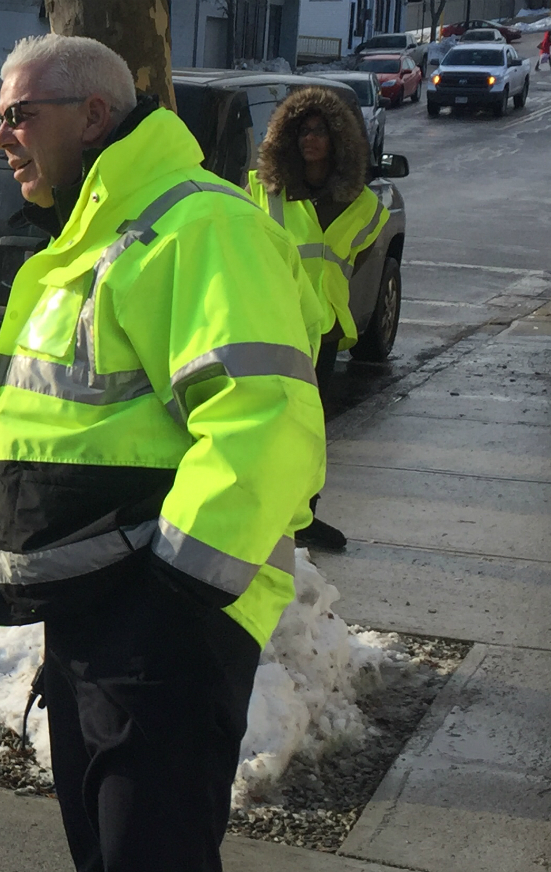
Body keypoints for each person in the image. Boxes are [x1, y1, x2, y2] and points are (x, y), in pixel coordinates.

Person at [0, 34, 325, 872]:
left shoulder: (196, 225)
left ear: (96, 115)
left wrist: (170, 598)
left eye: (20, 113)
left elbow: (262, 418)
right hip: (105, 622)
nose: (1, 136)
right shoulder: (93, 234)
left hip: (164, 625)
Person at [246, 86, 385, 553]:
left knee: (310, 430)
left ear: (337, 140)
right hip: (275, 325)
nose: (310, 139)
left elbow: (355, 258)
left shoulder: (363, 204)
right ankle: (262, 516)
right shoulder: (265, 193)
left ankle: (304, 516)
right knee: (265, 426)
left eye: (319, 131)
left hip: (322, 332)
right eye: (302, 130)